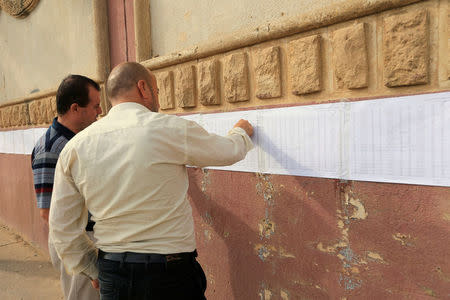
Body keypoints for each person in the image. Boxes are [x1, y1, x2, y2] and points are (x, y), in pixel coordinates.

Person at [48, 62, 254, 300]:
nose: (157, 99)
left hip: (114, 274)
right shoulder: (168, 129)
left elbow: (61, 227)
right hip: (170, 274)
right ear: (143, 88)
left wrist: (92, 268)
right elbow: (227, 152)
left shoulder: (74, 148)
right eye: (156, 92)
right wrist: (240, 132)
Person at [31, 74, 102, 300]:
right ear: (75, 108)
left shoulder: (76, 140)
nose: (100, 111)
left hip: (86, 236)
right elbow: (48, 212)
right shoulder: (52, 148)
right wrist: (85, 259)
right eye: (95, 106)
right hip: (77, 242)